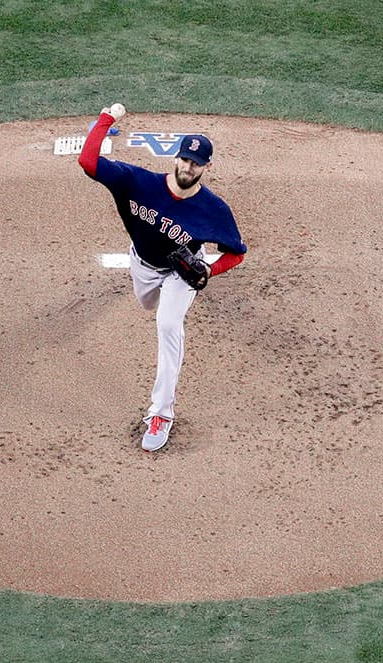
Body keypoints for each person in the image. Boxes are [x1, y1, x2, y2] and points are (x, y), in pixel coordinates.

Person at [78, 103, 247, 451]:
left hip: (180, 272)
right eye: (184, 159)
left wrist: (209, 269)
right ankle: (159, 291)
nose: (188, 167)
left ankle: (161, 413)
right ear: (176, 157)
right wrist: (106, 119)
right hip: (142, 264)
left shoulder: (214, 210)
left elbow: (237, 252)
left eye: (196, 163)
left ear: (207, 167)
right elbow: (88, 162)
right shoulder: (139, 183)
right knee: (147, 304)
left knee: (168, 324)